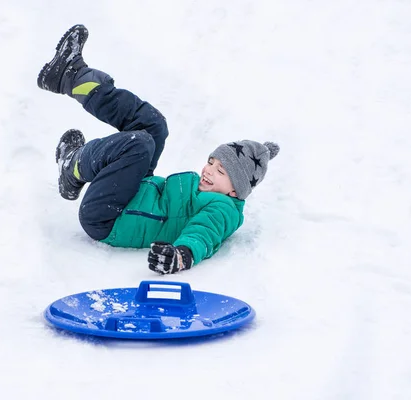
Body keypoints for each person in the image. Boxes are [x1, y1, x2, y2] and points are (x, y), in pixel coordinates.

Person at [37, 25, 279, 275]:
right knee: (154, 126)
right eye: (211, 162)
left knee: (139, 144)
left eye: (220, 171)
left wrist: (181, 256)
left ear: (235, 190)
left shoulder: (223, 208)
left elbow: (204, 233)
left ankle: (72, 167)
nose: (208, 171)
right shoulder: (211, 191)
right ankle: (72, 77)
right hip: (132, 195)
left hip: (108, 218)